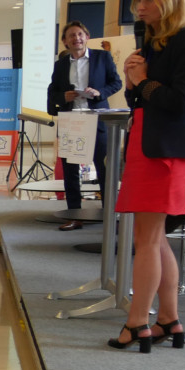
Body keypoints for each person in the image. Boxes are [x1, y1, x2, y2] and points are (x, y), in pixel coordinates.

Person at [110, 0, 185, 352]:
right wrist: (134, 81)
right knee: (156, 238)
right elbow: (144, 99)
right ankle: (169, 318)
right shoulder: (156, 42)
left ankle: (137, 324)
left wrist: (145, 80)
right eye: (139, 0)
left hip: (166, 150)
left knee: (146, 240)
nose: (142, 7)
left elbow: (180, 102)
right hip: (149, 143)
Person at [47, 20, 123, 229]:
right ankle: (74, 215)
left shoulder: (102, 57)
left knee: (104, 168)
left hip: (97, 118)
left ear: (87, 37)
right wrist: (64, 96)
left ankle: (110, 215)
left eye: (80, 34)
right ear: (65, 41)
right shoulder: (60, 65)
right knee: (71, 171)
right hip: (72, 121)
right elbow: (52, 91)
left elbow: (116, 82)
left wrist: (100, 93)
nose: (77, 38)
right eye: (71, 35)